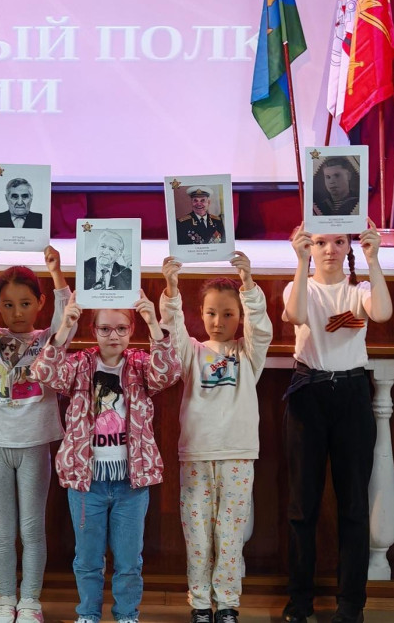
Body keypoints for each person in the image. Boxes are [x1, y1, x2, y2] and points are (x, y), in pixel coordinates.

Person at [28, 291, 181, 623]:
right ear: (94, 331)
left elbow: (169, 373)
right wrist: (64, 329)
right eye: (105, 329)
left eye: (122, 329)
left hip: (130, 483)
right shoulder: (80, 364)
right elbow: (43, 372)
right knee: (87, 559)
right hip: (87, 483)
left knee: (129, 561)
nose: (114, 336)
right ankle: (88, 614)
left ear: (131, 330)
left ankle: (126, 615)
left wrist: (154, 325)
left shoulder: (139, 364)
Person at [279, 220, 392, 623]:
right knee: (302, 506)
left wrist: (374, 260)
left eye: (338, 242)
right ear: (310, 245)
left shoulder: (359, 290)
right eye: (320, 242)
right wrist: (300, 261)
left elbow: (383, 312)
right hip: (308, 392)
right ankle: (299, 602)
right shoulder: (299, 287)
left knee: (354, 506)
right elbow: (295, 315)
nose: (329, 249)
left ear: (349, 247)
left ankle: (350, 605)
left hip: (352, 395)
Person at [0, 243, 70, 623]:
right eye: (8, 305)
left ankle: (30, 602)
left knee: (32, 528)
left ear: (40, 303)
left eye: (25, 303)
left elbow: (68, 319)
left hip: (34, 445)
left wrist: (56, 273)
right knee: (3, 530)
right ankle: (6, 599)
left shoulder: (48, 340)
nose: (17, 312)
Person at [160, 252, 272, 623]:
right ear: (201, 313)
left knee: (230, 534)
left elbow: (262, 328)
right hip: (196, 454)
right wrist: (171, 289)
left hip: (237, 454)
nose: (218, 321)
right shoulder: (192, 352)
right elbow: (172, 332)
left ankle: (226, 604)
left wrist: (249, 284)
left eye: (228, 314)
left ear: (240, 317)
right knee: (197, 535)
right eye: (211, 313)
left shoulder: (247, 353)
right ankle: (199, 605)